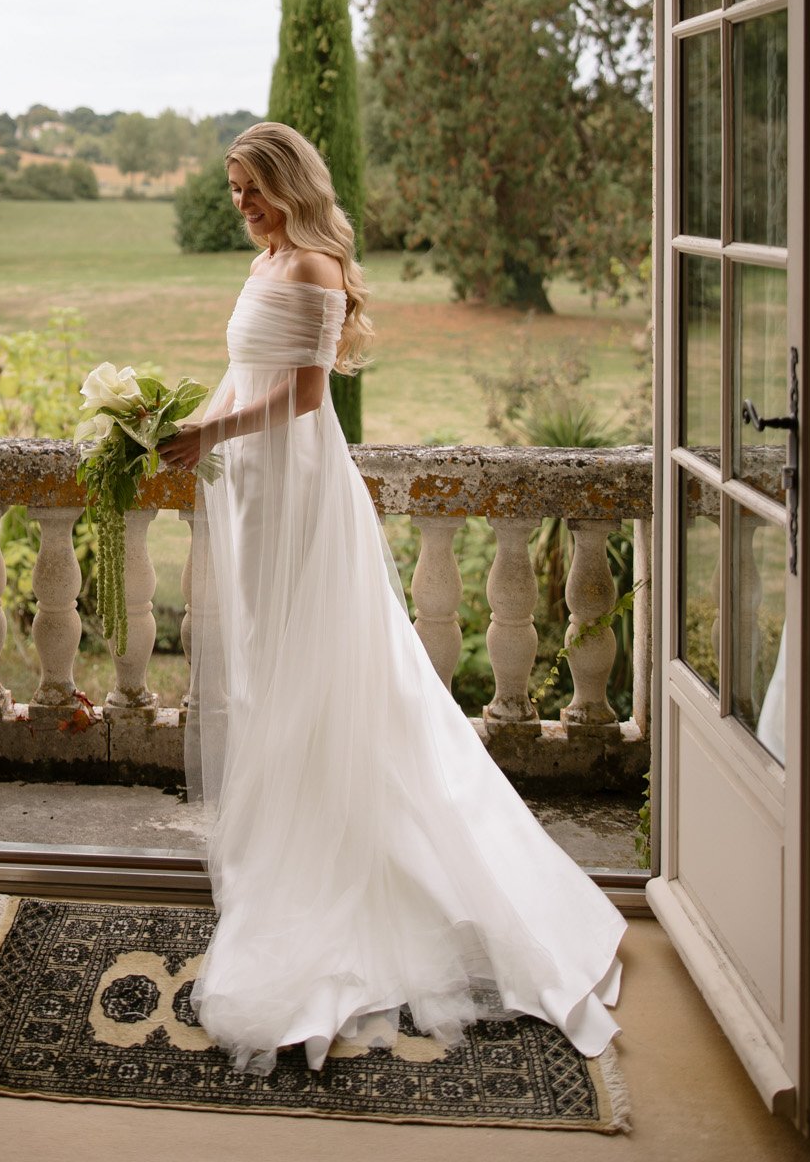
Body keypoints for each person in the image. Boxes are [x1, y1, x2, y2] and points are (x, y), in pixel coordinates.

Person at [158, 121, 625, 1076]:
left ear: (290, 183)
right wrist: (184, 425)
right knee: (274, 670)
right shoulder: (266, 264)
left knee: (319, 670)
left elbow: (295, 397)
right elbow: (244, 378)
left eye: (254, 188)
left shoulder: (315, 269)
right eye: (235, 190)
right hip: (255, 487)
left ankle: (372, 873)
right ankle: (290, 845)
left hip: (298, 488)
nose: (242, 204)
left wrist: (210, 438)